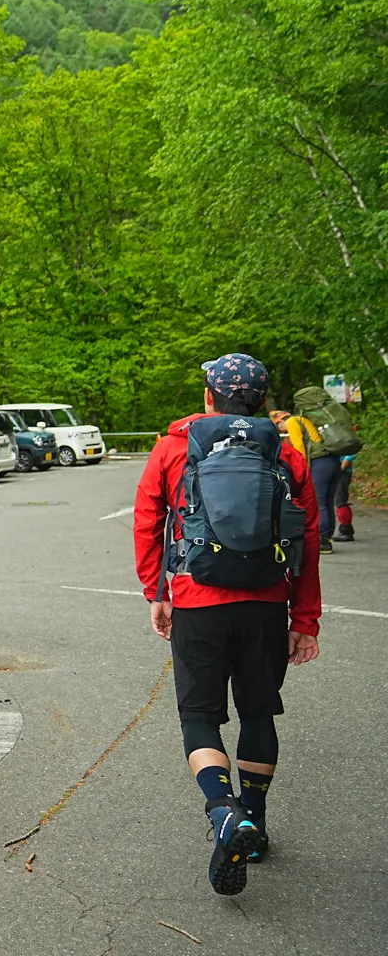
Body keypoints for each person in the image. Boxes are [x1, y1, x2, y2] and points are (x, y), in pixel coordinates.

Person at [134, 353, 321, 897]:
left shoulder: (175, 447)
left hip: (197, 600)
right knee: (258, 712)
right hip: (266, 604)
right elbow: (306, 543)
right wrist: (304, 619)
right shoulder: (285, 453)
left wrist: (157, 593)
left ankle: (223, 814)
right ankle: (255, 823)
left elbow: (149, 523)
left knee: (199, 715)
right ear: (262, 401)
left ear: (209, 397)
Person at [293, 387, 344, 553]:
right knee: (328, 500)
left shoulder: (294, 421)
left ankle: (322, 540)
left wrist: (301, 470)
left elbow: (299, 447)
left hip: (319, 463)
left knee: (318, 501)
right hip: (333, 460)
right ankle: (327, 537)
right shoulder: (316, 419)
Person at [335, 453, 355, 541]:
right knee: (339, 500)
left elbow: (351, 454)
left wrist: (342, 467)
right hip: (336, 470)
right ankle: (345, 529)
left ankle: (346, 530)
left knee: (340, 500)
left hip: (343, 471)